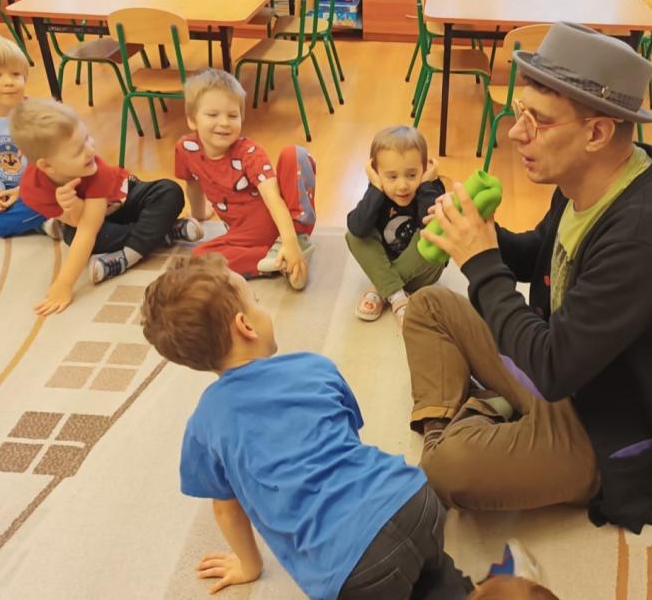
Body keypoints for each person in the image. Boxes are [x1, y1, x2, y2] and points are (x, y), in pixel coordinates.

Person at [405, 23, 652, 533]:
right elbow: (540, 255)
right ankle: (473, 420)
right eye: (520, 111)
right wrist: (482, 235)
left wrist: (481, 262)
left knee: (448, 469)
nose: (516, 132)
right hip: (567, 367)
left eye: (539, 121)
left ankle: (472, 423)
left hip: (606, 424)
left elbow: (552, 367)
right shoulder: (589, 178)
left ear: (596, 133)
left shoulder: (646, 233)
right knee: (426, 306)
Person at [140, 253, 476, 600]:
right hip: (412, 500)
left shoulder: (204, 424)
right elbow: (348, 435)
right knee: (434, 573)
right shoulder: (315, 367)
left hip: (352, 564)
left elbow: (226, 508)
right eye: (256, 302)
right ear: (246, 326)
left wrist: (249, 566)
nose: (262, 308)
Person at [12, 98, 200, 315]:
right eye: (77, 151)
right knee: (74, 239)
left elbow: (89, 229)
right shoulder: (33, 189)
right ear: (47, 166)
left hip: (124, 198)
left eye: (87, 138)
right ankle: (163, 231)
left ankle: (126, 257)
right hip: (97, 222)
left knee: (169, 191)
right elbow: (82, 226)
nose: (90, 150)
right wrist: (73, 205)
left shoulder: (96, 170)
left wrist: (64, 283)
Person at [175, 68, 316, 289]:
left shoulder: (249, 152)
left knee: (294, 154)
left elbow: (272, 197)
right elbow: (192, 183)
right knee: (199, 257)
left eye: (233, 116)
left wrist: (289, 240)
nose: (224, 122)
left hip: (280, 220)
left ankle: (295, 242)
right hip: (243, 235)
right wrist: (199, 213)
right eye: (213, 115)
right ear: (192, 120)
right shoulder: (186, 148)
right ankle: (278, 261)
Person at [346, 126, 445, 326]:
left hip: (422, 273)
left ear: (424, 169)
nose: (402, 185)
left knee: (432, 235)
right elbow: (357, 228)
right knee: (354, 235)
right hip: (385, 265)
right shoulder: (377, 191)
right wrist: (375, 187)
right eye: (392, 177)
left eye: (412, 175)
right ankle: (396, 294)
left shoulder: (430, 188)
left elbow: (433, 228)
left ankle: (383, 288)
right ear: (376, 173)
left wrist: (426, 184)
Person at [0, 34, 59, 240]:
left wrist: (21, 191)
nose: (9, 82)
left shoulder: (37, 116)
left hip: (33, 189)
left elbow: (51, 166)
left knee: (55, 198)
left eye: (16, 74)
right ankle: (36, 224)